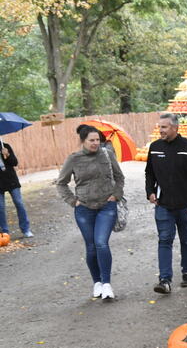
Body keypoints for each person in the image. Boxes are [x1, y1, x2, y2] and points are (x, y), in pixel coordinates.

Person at [56, 126, 124, 301]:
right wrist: (73, 201)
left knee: (101, 243)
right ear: (83, 141)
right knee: (91, 246)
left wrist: (116, 195)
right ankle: (97, 282)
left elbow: (119, 177)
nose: (95, 143)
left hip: (106, 206)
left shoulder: (107, 155)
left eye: (97, 140)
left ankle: (107, 284)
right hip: (84, 209)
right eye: (91, 140)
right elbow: (61, 183)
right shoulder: (73, 159)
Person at [145, 113, 187, 294]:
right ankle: (165, 280)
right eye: (159, 127)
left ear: (175, 128)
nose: (160, 130)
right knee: (164, 239)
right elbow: (149, 172)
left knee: (186, 239)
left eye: (164, 127)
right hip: (163, 205)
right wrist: (149, 191)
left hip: (185, 205)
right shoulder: (155, 147)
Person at [0, 140, 32, 238]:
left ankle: (25, 229)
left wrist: (7, 154)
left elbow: (15, 162)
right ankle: (5, 232)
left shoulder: (5, 146)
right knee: (0, 208)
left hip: (11, 180)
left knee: (19, 203)